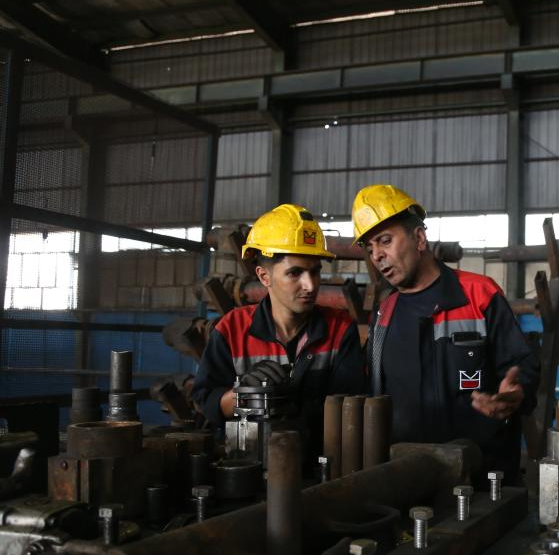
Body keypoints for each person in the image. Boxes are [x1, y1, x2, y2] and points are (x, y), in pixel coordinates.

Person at [352, 184, 539, 482]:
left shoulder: (479, 294)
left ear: (419, 238)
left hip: (482, 480)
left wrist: (516, 392)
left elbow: (523, 365)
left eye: (385, 241)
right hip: (406, 479)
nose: (377, 255)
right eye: (369, 247)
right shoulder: (383, 313)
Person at [192, 204, 366, 464]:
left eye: (315, 271)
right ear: (264, 276)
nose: (310, 285)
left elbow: (351, 408)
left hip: (322, 467)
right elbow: (206, 401)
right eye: (295, 273)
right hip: (249, 466)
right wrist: (245, 394)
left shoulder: (339, 329)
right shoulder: (231, 329)